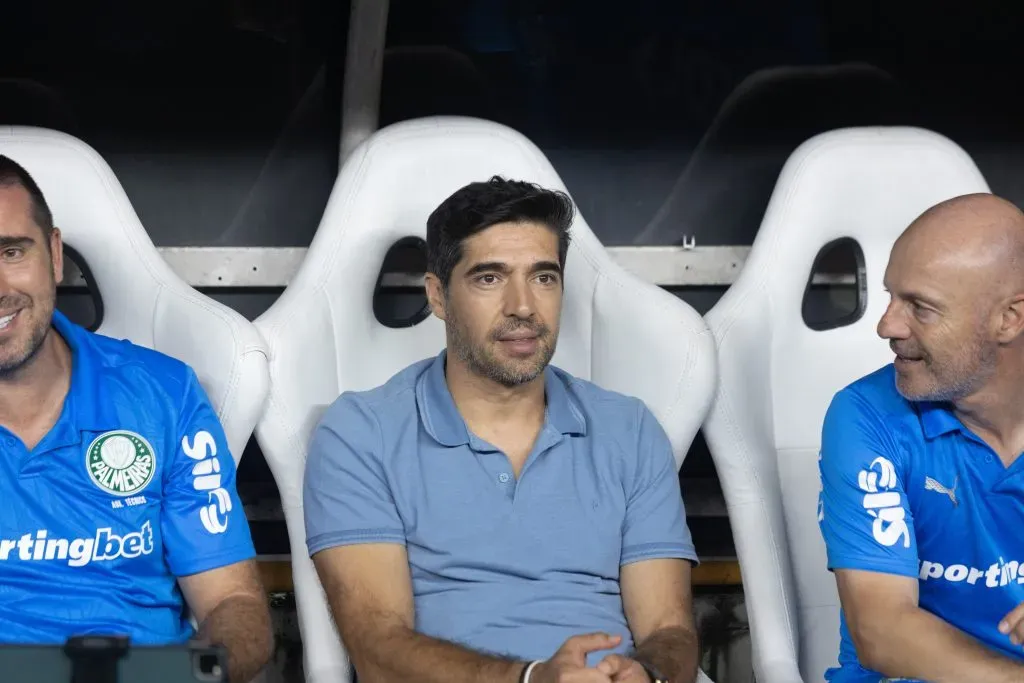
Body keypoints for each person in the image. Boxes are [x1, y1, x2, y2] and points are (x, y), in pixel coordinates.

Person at [304, 176, 701, 683]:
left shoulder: (630, 429)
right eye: (489, 278)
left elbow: (670, 630)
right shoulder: (361, 434)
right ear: (438, 296)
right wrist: (531, 677)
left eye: (543, 277)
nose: (523, 306)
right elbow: (379, 651)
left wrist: (647, 675)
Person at [0, 155, 273, 683]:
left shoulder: (163, 396)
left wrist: (192, 676)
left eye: (11, 251)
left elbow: (235, 606)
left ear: (54, 255)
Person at [817, 192, 1024, 683]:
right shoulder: (865, 415)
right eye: (891, 296)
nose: (887, 325)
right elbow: (882, 630)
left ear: (1009, 319)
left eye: (921, 307)